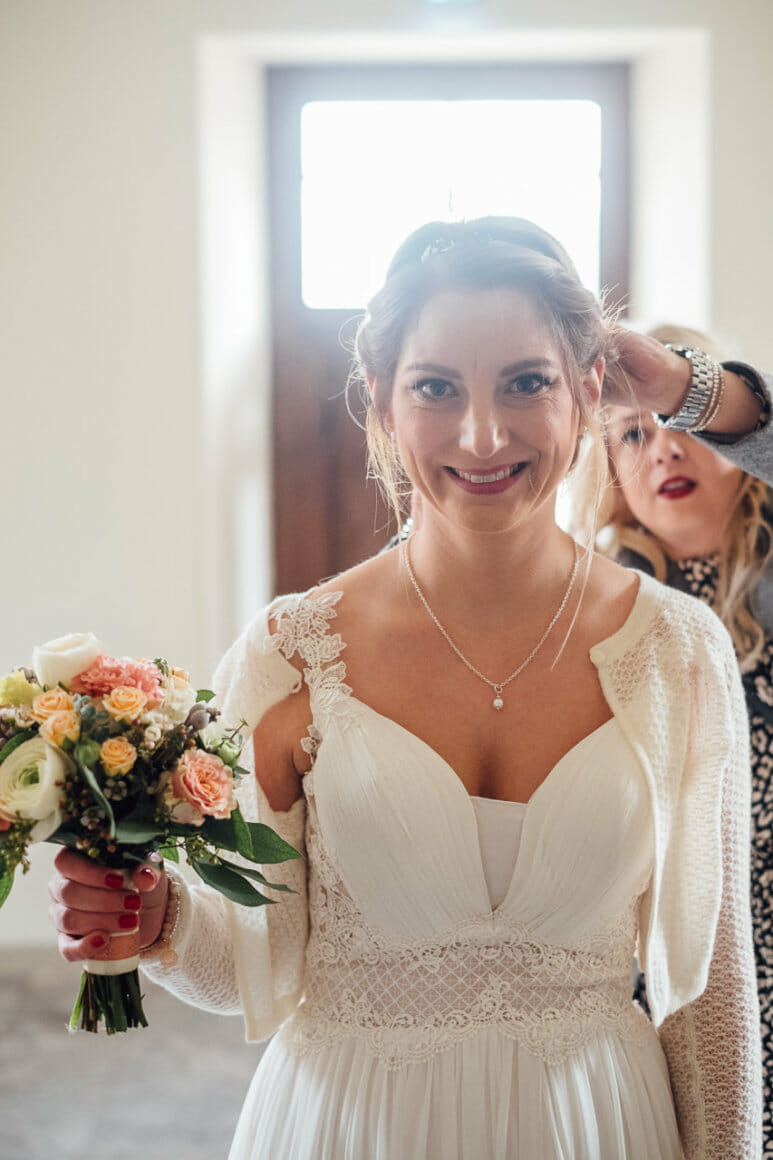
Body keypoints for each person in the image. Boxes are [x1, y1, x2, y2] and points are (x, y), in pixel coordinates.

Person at [48, 219, 761, 1159]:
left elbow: (709, 993)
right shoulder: (290, 651)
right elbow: (253, 958)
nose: (482, 434)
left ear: (589, 390)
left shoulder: (678, 650)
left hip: (596, 1122)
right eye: (434, 388)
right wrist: (161, 920)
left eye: (526, 382)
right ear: (382, 403)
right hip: (352, 1122)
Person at [576, 322, 773, 1156]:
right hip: (655, 961)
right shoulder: (592, 612)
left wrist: (690, 390)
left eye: (684, 428)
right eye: (633, 434)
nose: (664, 451)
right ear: (614, 477)